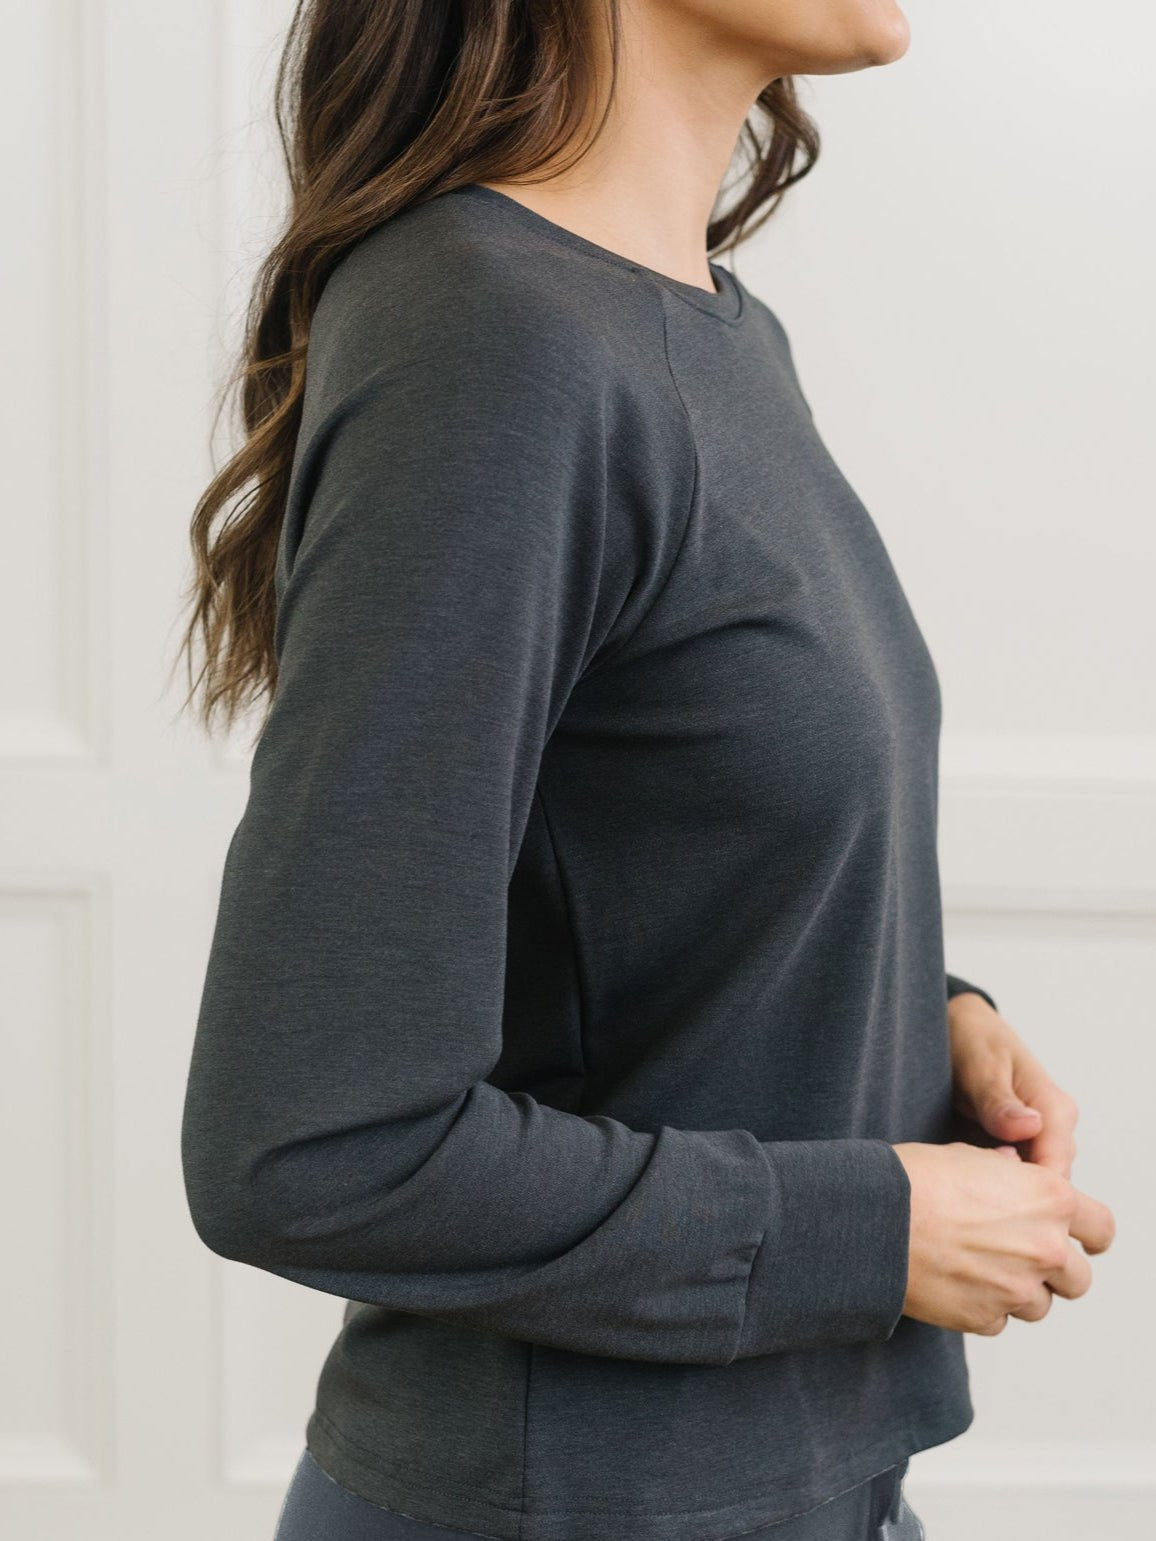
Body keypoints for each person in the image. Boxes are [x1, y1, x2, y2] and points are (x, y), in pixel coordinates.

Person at [176, 1, 1117, 1538]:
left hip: (796, 1485)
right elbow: (309, 1144)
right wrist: (868, 1230)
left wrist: (919, 1017)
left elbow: (626, 870)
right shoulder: (488, 339)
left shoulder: (706, 328)